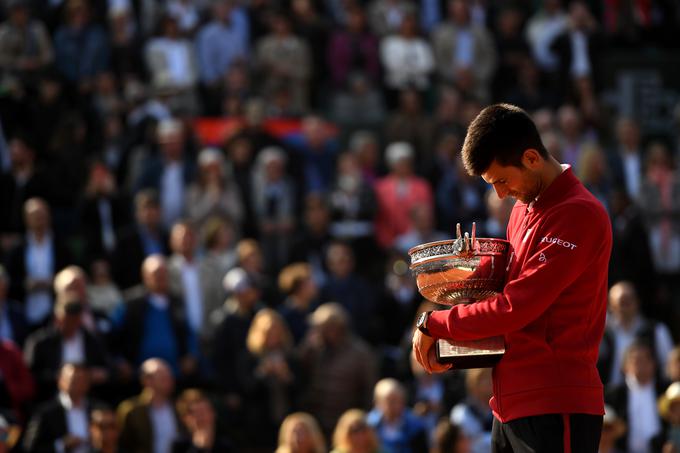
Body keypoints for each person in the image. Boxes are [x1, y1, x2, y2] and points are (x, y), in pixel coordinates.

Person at [411, 103, 613, 452]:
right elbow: (506, 306)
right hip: (508, 406)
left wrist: (438, 324)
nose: (500, 194)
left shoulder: (580, 213)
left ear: (532, 158)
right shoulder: (522, 210)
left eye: (502, 180)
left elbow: (516, 307)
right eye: (492, 185)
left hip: (556, 404)